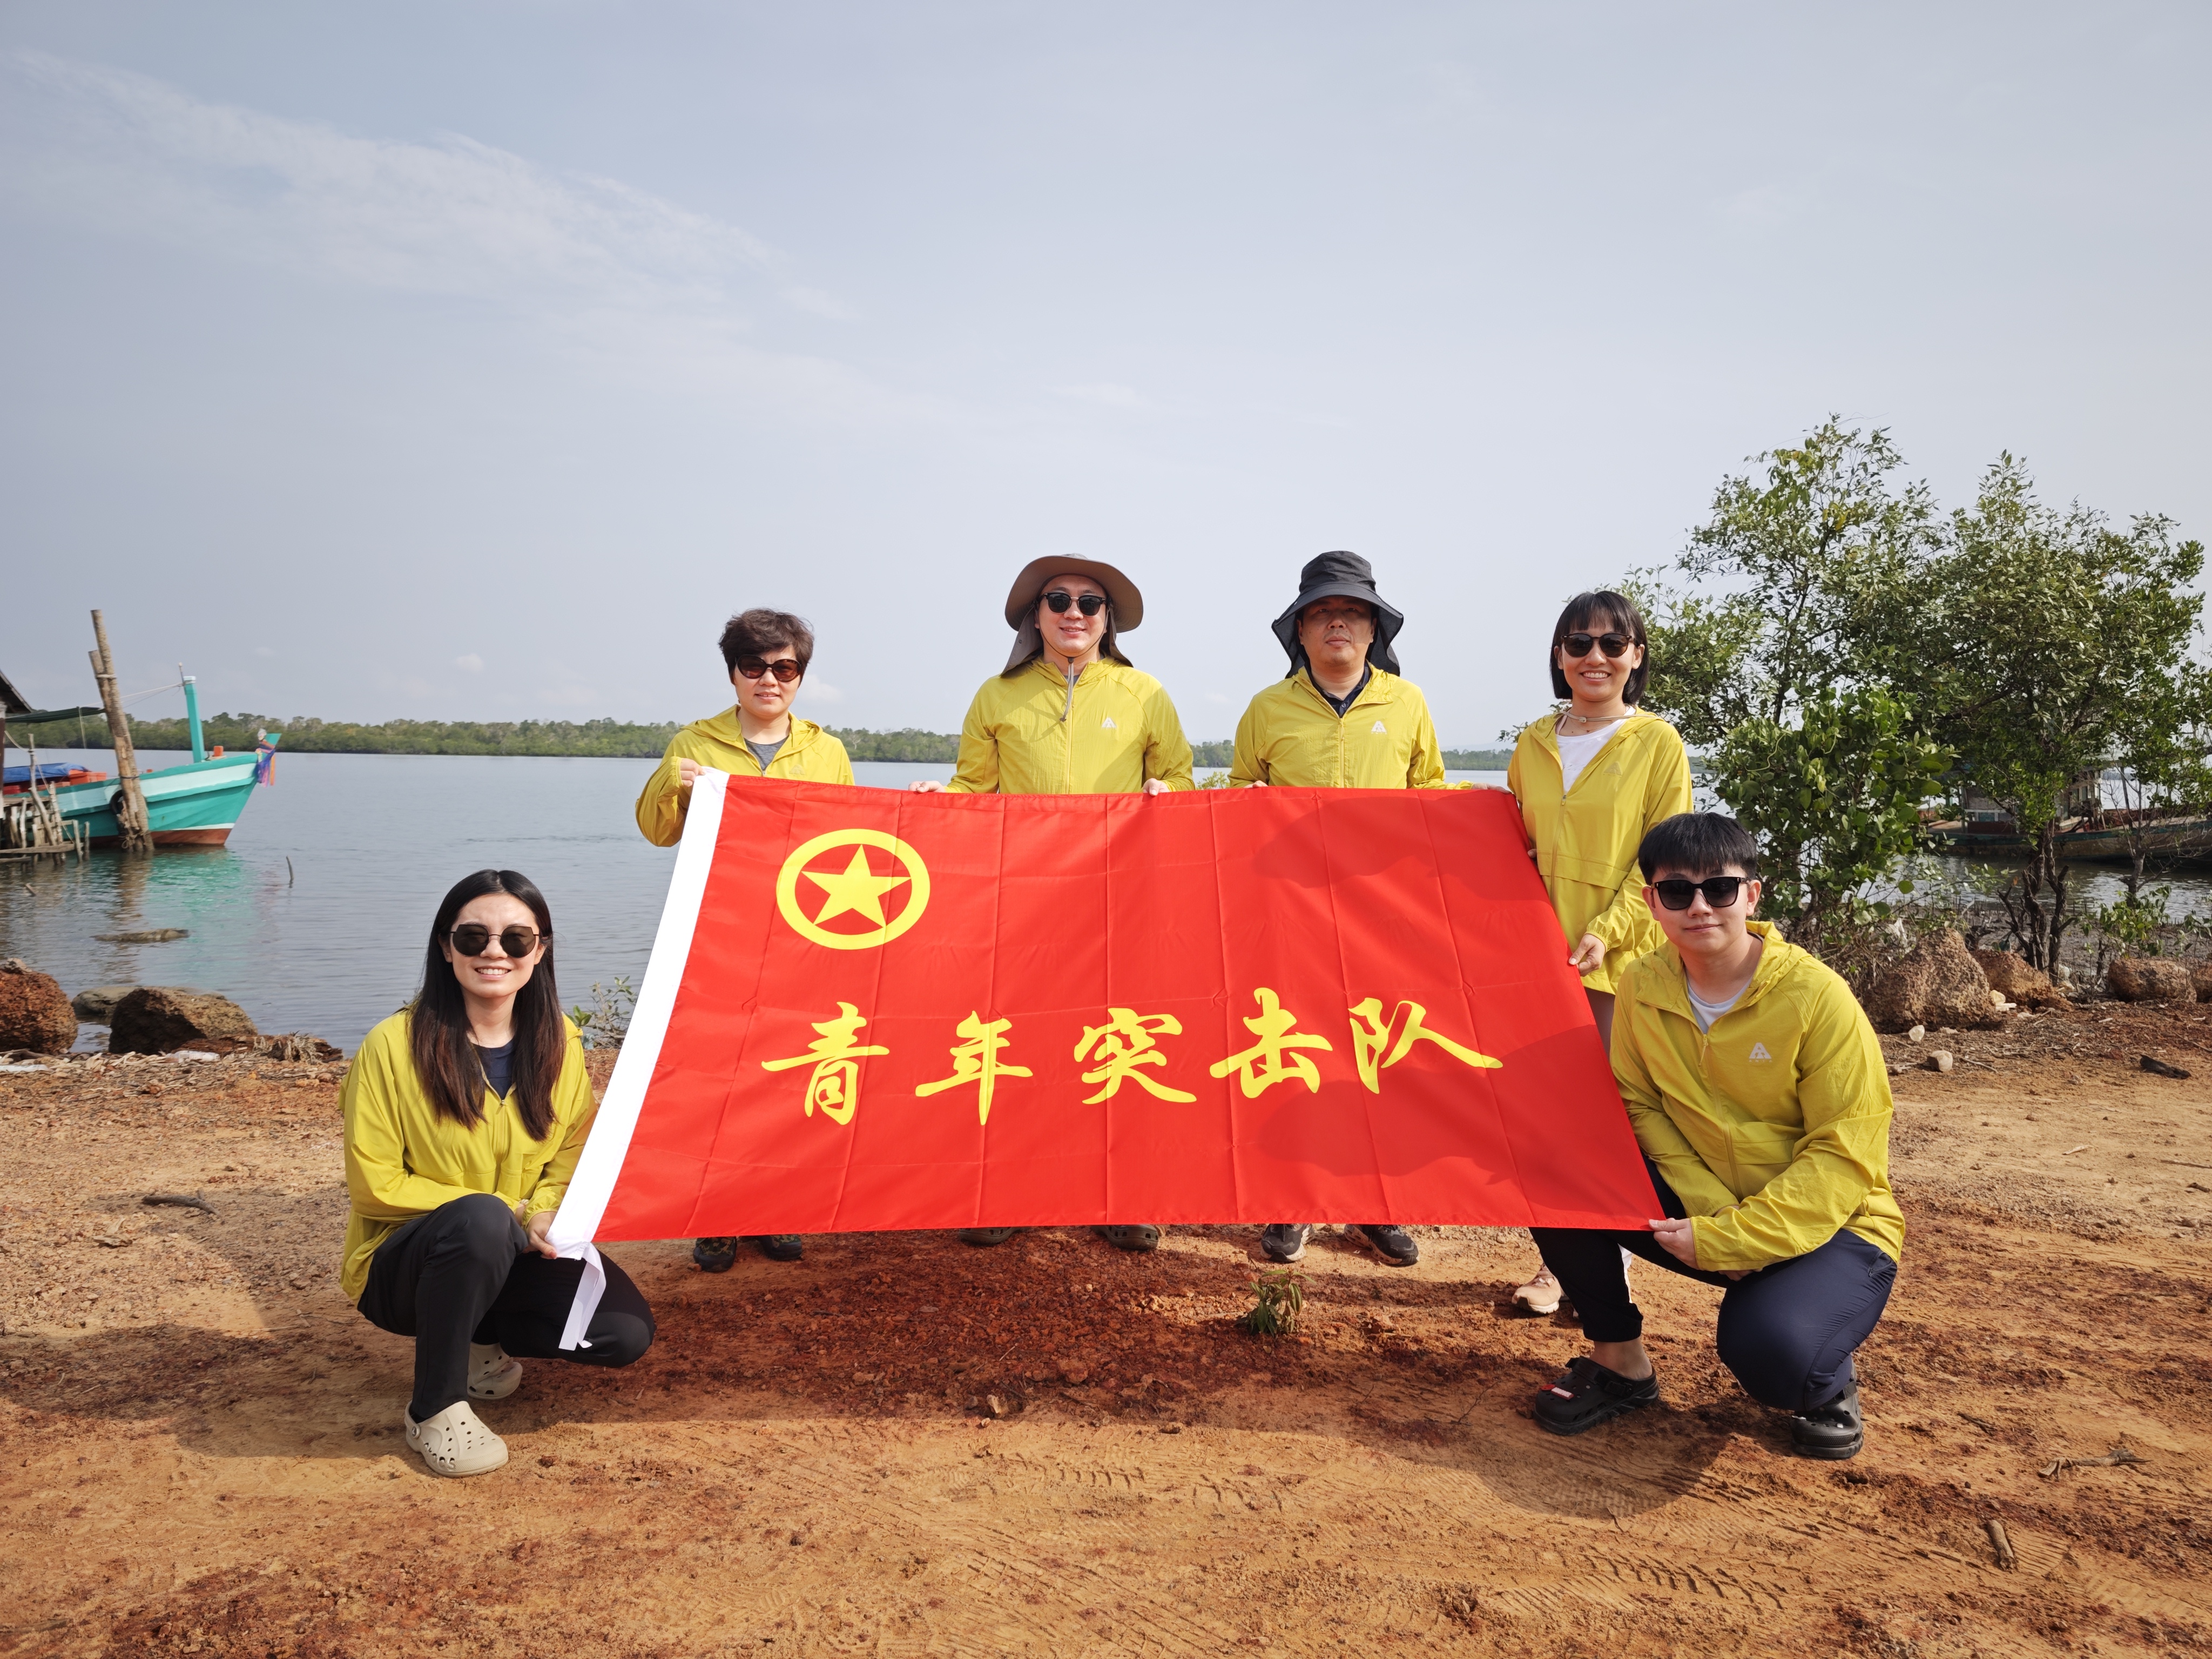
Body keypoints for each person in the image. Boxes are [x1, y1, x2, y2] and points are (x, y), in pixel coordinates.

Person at [1526, 813, 1901, 1461]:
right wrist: (1712, 1212)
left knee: (1770, 1354)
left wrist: (1737, 1236)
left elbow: (1843, 1155)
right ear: (1652, 904)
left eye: (1719, 889)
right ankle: (1619, 1362)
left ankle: (1825, 1378)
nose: (1699, 907)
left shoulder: (1817, 998)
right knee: (1552, 1166)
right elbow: (1640, 1103)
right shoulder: (1642, 983)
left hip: (1836, 1225)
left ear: (1751, 895)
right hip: (1711, 1202)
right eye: (1677, 892)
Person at [915, 558, 1195, 1250]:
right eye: (1059, 601)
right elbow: (973, 789)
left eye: (1090, 603)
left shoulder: (1144, 693)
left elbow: (1179, 778)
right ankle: (1010, 1190)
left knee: (1114, 1040)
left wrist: (1167, 794)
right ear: (1034, 616)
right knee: (1022, 1043)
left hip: (1118, 900)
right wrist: (936, 803)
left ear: (1108, 619)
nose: (1075, 613)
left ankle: (1115, 1194)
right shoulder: (996, 696)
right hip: (1022, 903)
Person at [343, 869, 655, 1479]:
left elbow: (571, 1152)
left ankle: (478, 1340)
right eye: (473, 937)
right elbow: (375, 1185)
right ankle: (434, 1408)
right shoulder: (391, 1045)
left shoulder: (559, 1042)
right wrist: (509, 1212)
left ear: (540, 951)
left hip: (509, 1249)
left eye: (516, 939)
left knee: (621, 1333)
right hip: (402, 1267)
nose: (495, 952)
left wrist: (544, 1211)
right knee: (481, 1218)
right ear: (445, 946)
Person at [1230, 550, 1445, 1269]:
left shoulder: (1407, 705)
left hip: (1383, 917)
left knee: (1376, 1054)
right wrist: (1244, 806)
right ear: (1299, 629)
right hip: (1290, 916)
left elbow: (1435, 799)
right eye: (1321, 613)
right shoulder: (1267, 709)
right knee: (1297, 1050)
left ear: (1375, 627)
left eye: (1351, 612)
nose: (1337, 625)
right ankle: (1292, 1201)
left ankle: (1374, 1203)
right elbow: (1235, 798)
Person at [635, 609, 855, 1271]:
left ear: (800, 676)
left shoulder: (826, 752)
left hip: (800, 938)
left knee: (787, 1075)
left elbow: (850, 841)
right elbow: (657, 831)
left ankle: (776, 1206)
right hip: (718, 937)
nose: (769, 680)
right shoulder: (694, 744)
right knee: (719, 1078)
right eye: (754, 666)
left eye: (784, 668)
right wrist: (672, 783)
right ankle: (716, 1214)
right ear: (733, 673)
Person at [1505, 590, 1691, 1315]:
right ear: (1559, 656)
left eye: (1613, 645)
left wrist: (1609, 929)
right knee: (1544, 1119)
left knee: (1606, 1118)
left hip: (1616, 961)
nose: (1595, 658)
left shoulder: (1657, 744)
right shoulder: (1533, 742)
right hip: (1532, 962)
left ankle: (1597, 1274)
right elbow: (1505, 841)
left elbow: (1666, 858)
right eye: (1579, 644)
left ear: (1636, 657)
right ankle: (1563, 1263)